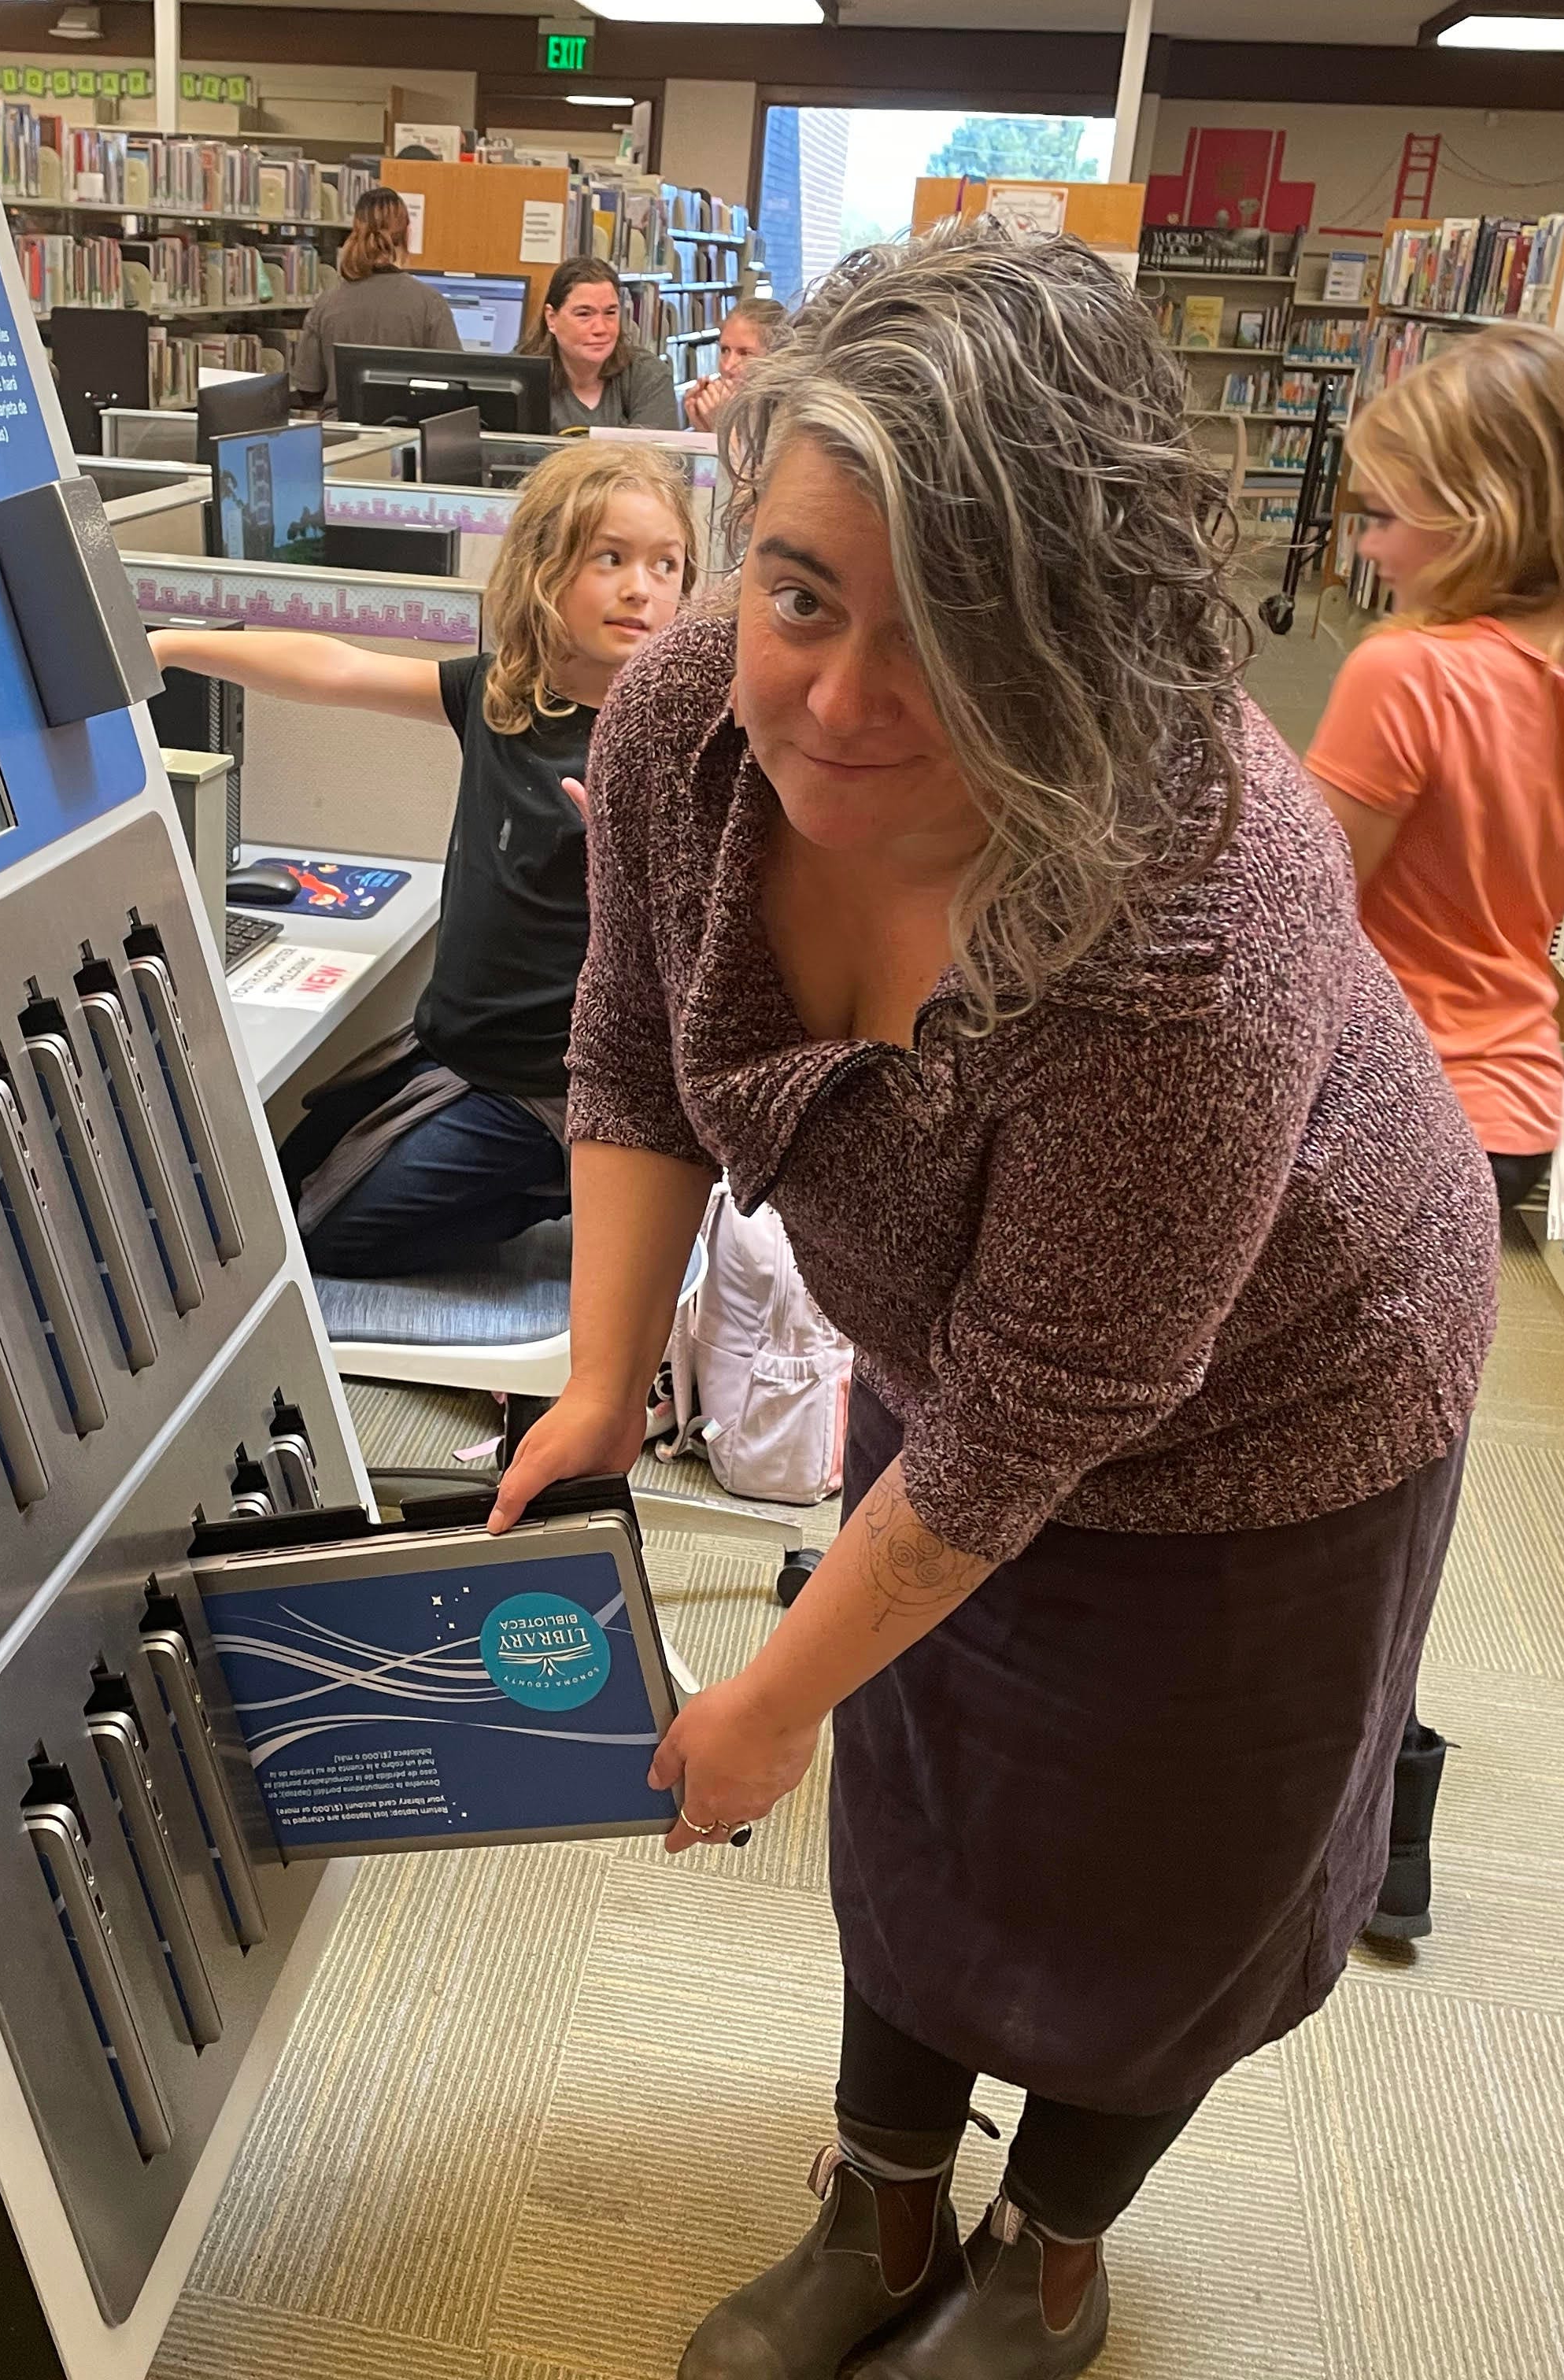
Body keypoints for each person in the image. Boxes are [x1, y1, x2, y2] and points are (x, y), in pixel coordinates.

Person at [488, 220, 1499, 2380]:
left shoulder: (1195, 882)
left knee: (1171, 1859)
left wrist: (767, 1703)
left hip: (1281, 1401)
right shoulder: (683, 724)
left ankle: (1050, 2244)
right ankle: (877, 2196)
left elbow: (1057, 1400)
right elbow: (630, 1064)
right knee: (938, 1788)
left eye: (952, 632)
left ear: (1086, 636)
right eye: (801, 591)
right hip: (963, 1343)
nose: (842, 700)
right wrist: (597, 1383)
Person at [1304, 323, 1564, 1946]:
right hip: (1496, 1128)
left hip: (1349, 1111)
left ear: (1480, 517)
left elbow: (1301, 925)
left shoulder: (1406, 674)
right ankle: (1391, 1823)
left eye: (1388, 517)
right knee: (1403, 1462)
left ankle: (1263, 1781)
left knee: (1267, 1442)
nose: (1366, 549)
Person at [146, 442, 696, 1277]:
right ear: (545, 571)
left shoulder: (669, 748)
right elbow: (334, 669)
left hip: (546, 1091)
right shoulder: (502, 700)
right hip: (451, 1049)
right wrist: (169, 647)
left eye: (667, 565)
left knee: (327, 1239)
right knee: (276, 1193)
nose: (641, 588)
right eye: (610, 558)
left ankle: (567, 1180)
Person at [287, 186, 458, 407]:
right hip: (407, 430)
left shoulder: (327, 303)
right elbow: (454, 385)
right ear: (407, 234)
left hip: (340, 434)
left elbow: (308, 389)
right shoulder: (429, 304)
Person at [521, 257, 681, 431]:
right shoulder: (519, 379)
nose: (600, 328)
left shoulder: (648, 373)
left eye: (610, 313)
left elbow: (654, 456)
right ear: (551, 319)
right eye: (584, 314)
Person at [682, 293, 786, 432]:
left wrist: (722, 427)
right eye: (725, 350)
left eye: (745, 353)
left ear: (777, 356)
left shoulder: (792, 417)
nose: (727, 366)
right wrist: (702, 428)